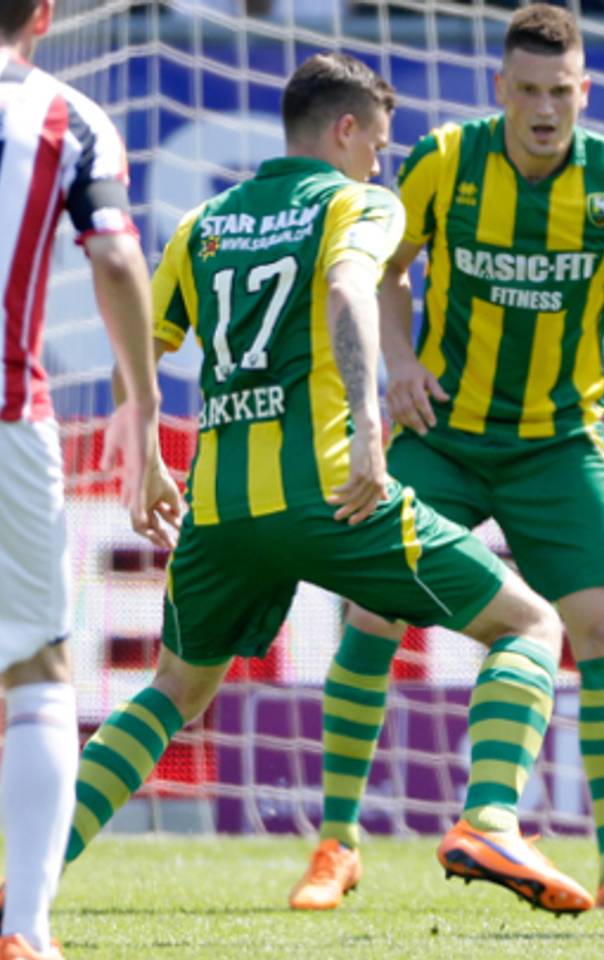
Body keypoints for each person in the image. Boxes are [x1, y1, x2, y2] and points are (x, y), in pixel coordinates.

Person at [285, 3, 604, 916]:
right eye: (526, 91)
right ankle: (337, 844)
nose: (542, 110)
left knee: (603, 630)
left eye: (559, 92)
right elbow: (385, 270)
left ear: (584, 92)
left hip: (558, 443)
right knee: (369, 609)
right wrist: (400, 363)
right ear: (500, 89)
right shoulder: (448, 161)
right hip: (443, 432)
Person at [58, 51, 596, 918]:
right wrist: (371, 435)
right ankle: (491, 817)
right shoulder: (358, 202)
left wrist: (147, 460)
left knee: (172, 693)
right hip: (330, 492)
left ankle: (28, 880)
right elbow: (351, 289)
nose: (382, 164)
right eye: (377, 146)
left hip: (221, 507)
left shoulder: (206, 221)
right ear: (345, 132)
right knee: (529, 625)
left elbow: (137, 348)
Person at [0, 1, 178, 957]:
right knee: (35, 669)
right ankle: (22, 929)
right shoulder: (68, 117)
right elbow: (114, 252)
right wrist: (141, 406)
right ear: (45, 12)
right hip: (6, 422)